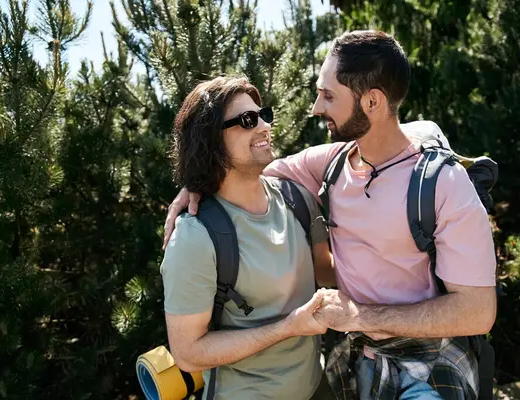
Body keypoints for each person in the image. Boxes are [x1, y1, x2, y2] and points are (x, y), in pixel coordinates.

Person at [163, 30, 497, 400]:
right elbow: (238, 170)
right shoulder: (329, 164)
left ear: (372, 102)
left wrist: (359, 317)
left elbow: (479, 312)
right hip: (358, 363)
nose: (315, 108)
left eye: (328, 96)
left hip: (428, 364)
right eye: (248, 120)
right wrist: (194, 185)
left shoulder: (443, 184)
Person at [160, 76, 336, 400]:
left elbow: (326, 272)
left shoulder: (297, 198)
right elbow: (187, 353)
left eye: (264, 114)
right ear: (210, 141)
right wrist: (287, 328)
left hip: (316, 387)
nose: (264, 126)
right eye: (247, 120)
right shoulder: (194, 237)